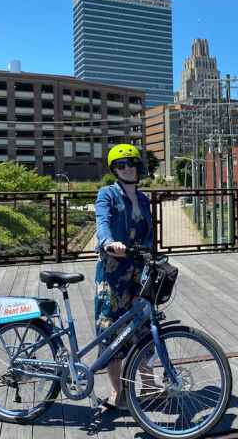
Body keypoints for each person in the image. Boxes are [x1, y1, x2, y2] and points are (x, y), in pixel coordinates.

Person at [94, 143, 153, 411]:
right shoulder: (107, 194)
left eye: (131, 163)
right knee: (112, 330)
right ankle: (118, 391)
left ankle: (149, 383)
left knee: (142, 326)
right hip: (112, 272)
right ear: (114, 170)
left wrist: (152, 255)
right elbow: (102, 221)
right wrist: (108, 242)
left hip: (137, 272)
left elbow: (149, 234)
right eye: (121, 165)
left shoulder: (143, 199)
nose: (127, 168)